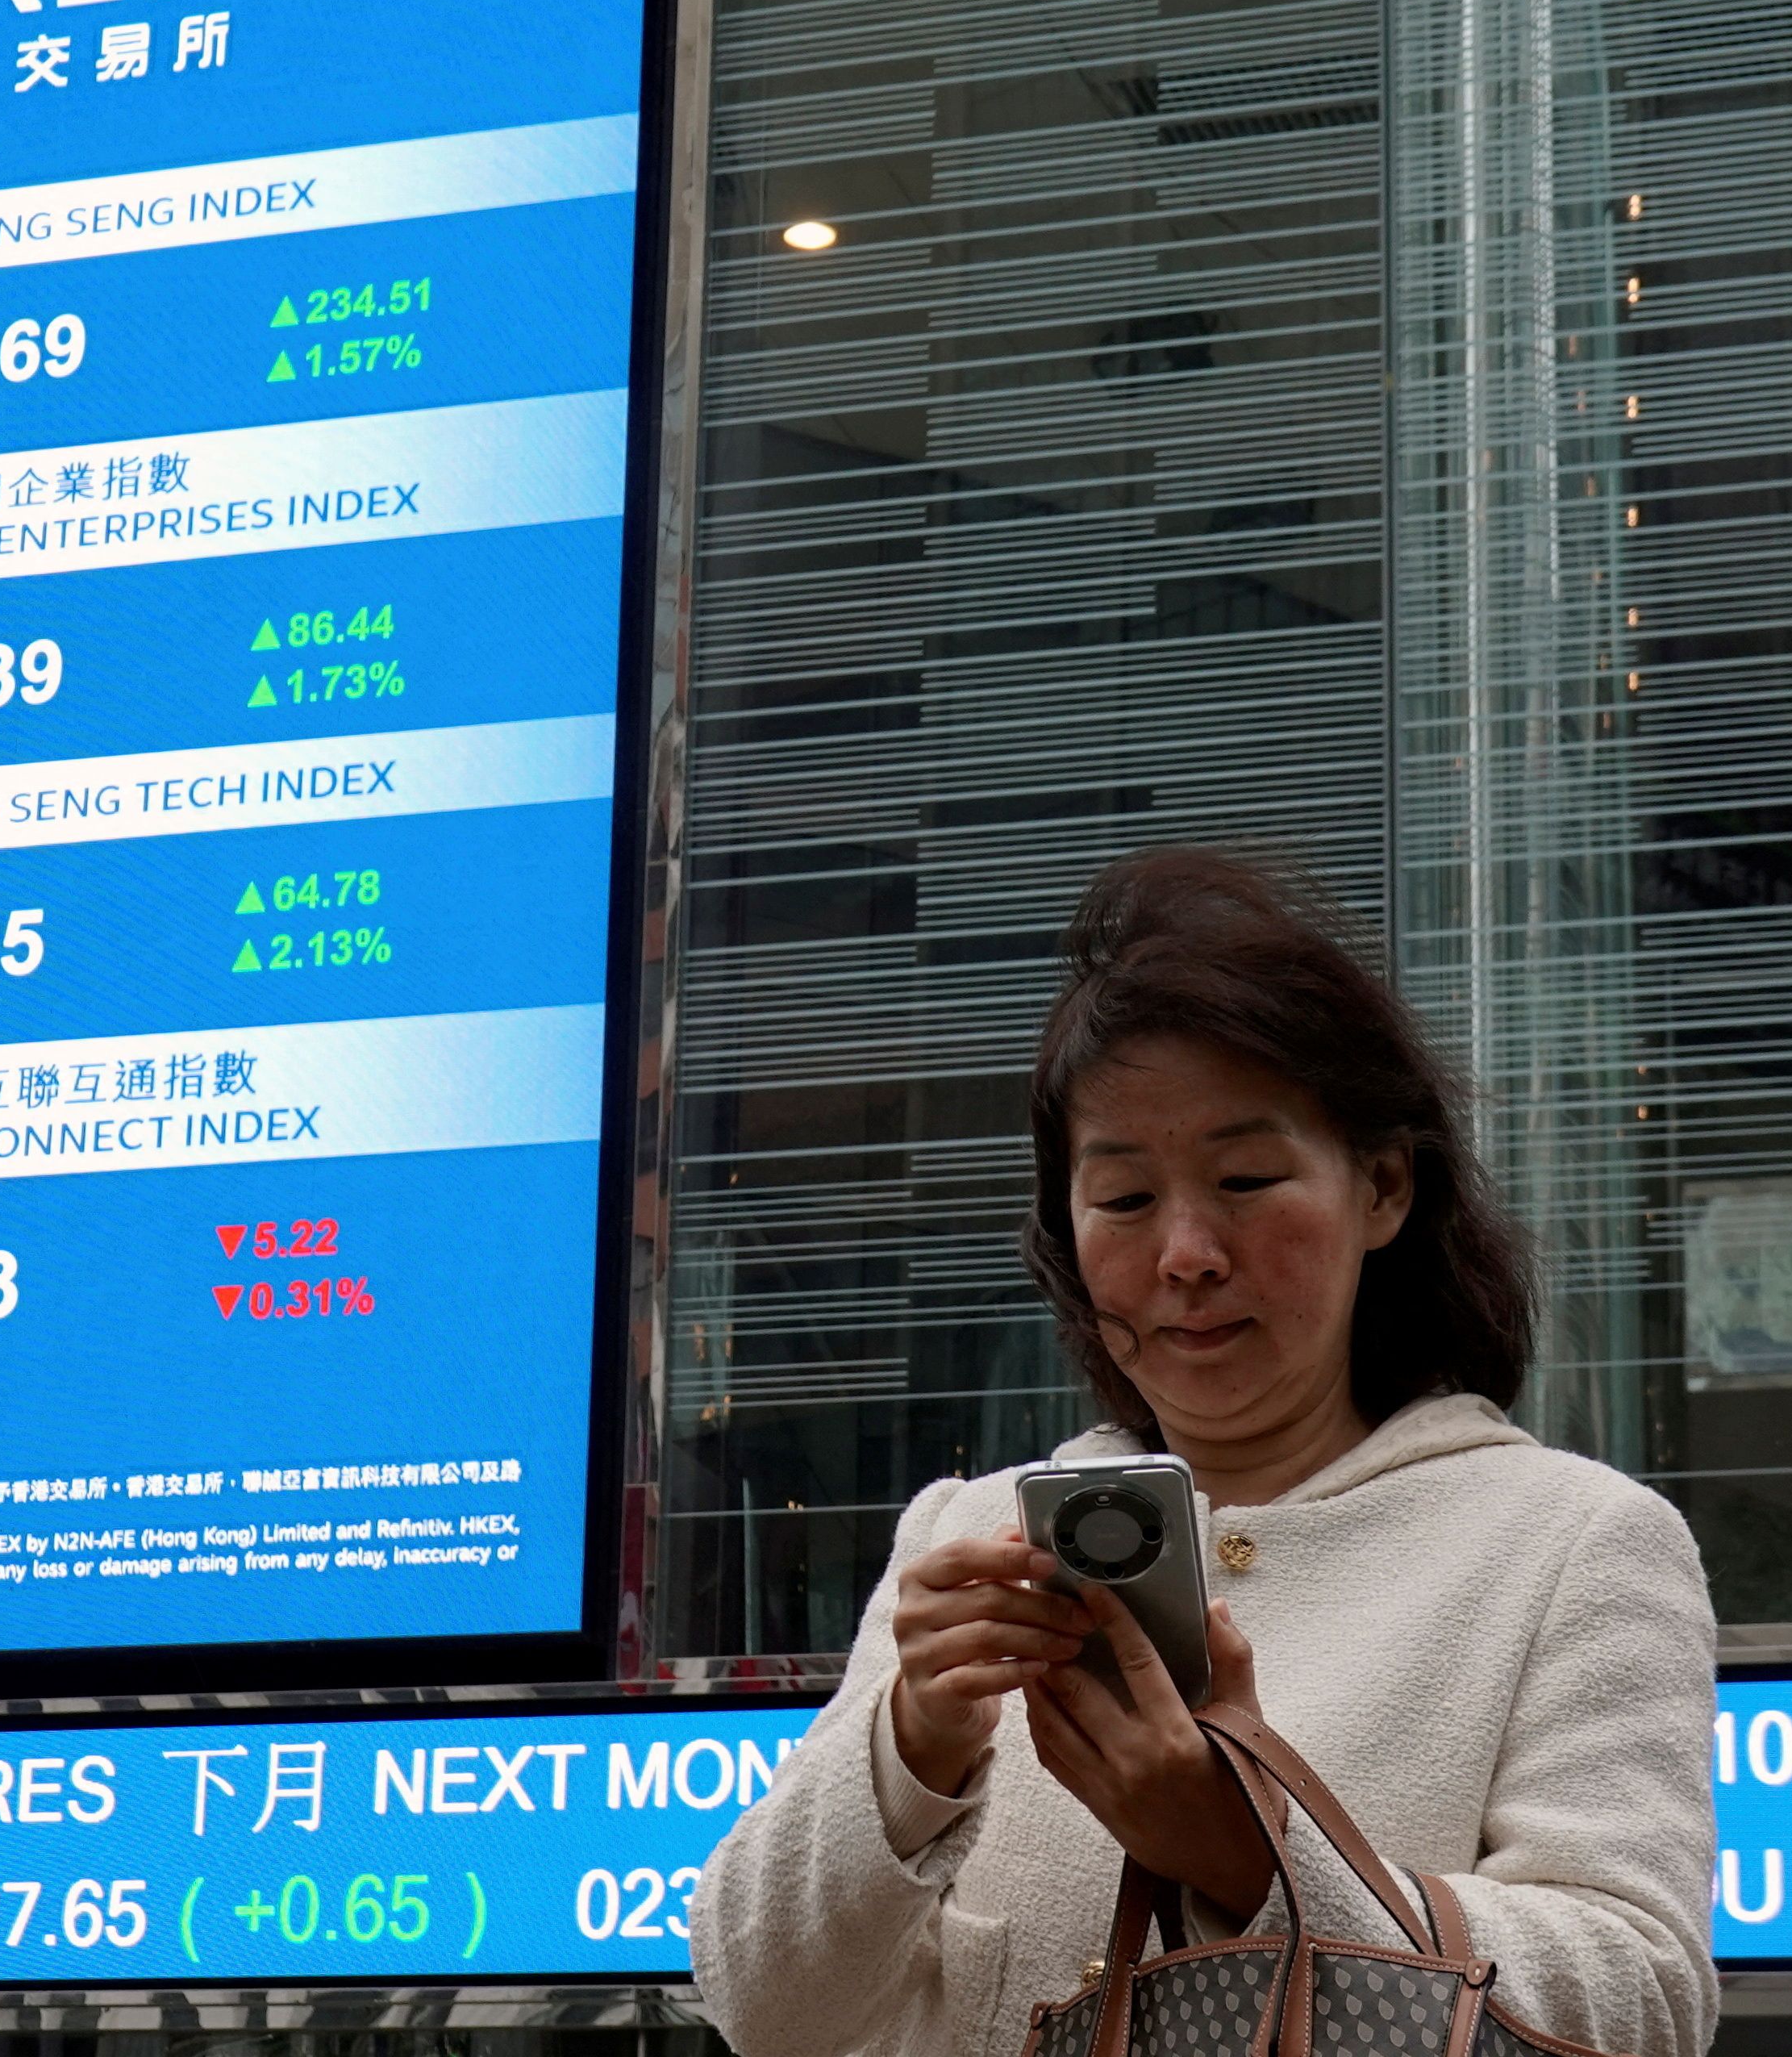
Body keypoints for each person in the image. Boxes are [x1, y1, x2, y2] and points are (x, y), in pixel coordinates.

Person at [690, 848, 1716, 2057]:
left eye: (1244, 1178)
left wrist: (1248, 1853)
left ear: (1383, 1186)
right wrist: (909, 1747)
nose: (1185, 1253)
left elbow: (1643, 2004)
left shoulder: (1568, 1545)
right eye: (1123, 1201)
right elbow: (762, 2010)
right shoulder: (969, 1535)